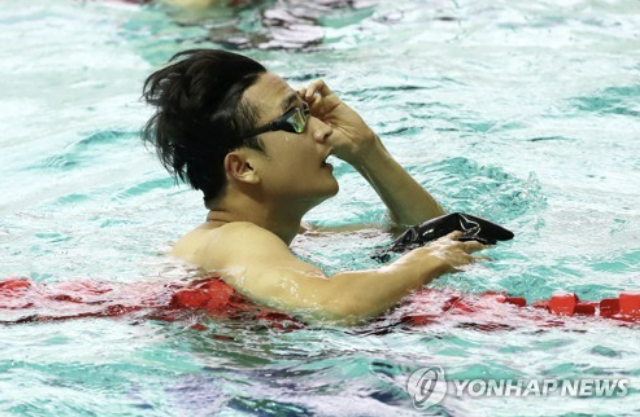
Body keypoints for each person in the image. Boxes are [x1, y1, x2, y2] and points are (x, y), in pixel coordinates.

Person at [142, 49, 486, 326]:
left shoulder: (294, 236)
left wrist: (368, 151)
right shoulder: (235, 239)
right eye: (295, 118)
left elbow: (426, 232)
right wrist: (425, 262)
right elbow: (335, 305)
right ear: (243, 168)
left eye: (308, 111)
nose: (323, 130)